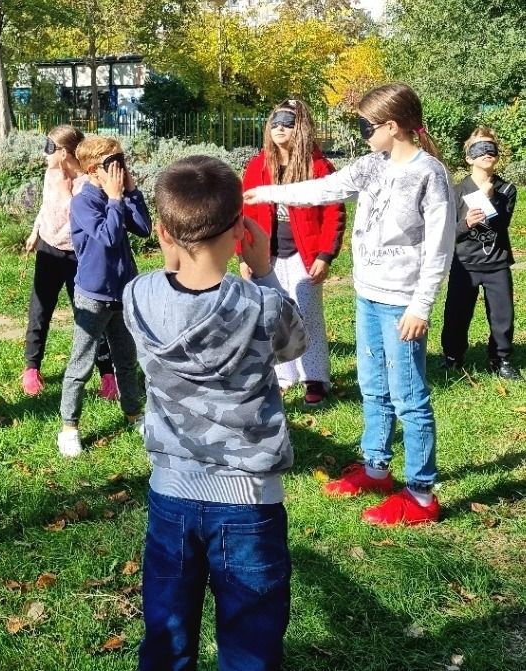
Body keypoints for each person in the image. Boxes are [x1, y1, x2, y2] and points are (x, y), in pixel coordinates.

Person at [123, 156, 307, 671]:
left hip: (171, 494)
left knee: (166, 635)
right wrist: (266, 270)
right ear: (240, 231)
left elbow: (170, 284)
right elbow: (296, 344)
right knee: (250, 644)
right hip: (249, 500)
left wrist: (171, 252)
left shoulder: (137, 297)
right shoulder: (260, 305)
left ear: (162, 232)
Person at [245, 82, 456, 526]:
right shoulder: (372, 165)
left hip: (402, 304)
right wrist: (266, 195)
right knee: (373, 385)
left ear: (392, 126)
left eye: (365, 125)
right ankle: (376, 469)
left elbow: (438, 248)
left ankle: (420, 495)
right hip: (369, 294)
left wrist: (421, 306)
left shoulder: (428, 173)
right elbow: (323, 189)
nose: (362, 133)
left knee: (410, 397)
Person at [241, 98, 346, 406]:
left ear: (300, 128)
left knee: (307, 314)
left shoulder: (318, 166)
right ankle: (286, 374)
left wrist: (325, 255)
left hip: (305, 254)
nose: (279, 128)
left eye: (287, 123)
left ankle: (316, 378)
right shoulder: (258, 166)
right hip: (267, 255)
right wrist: (243, 255)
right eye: (274, 122)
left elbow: (334, 214)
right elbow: (244, 212)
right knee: (274, 315)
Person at [56, 135, 151, 458]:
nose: (121, 169)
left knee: (126, 360)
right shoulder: (84, 202)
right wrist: (114, 199)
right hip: (93, 296)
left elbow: (142, 227)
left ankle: (133, 412)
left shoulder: (117, 195)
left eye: (123, 161)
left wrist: (132, 192)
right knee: (81, 364)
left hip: (122, 292)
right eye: (115, 164)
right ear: (95, 170)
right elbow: (109, 237)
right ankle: (69, 427)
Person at [21, 125, 118, 400]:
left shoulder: (87, 184)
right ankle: (31, 369)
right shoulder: (50, 175)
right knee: (39, 311)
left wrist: (67, 195)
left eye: (50, 147)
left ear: (65, 152)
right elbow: (44, 205)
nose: (44, 152)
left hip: (79, 257)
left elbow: (83, 221)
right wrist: (35, 231)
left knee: (89, 317)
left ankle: (107, 374)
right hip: (48, 250)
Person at [441, 127, 521, 380]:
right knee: (456, 313)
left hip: (497, 264)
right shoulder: (455, 192)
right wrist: (466, 223)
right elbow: (448, 233)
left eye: (491, 148)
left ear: (497, 155)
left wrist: (488, 199)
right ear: (468, 157)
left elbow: (501, 224)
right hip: (464, 263)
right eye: (479, 148)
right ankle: (453, 358)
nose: (486, 152)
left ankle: (501, 359)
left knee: (502, 315)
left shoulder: (506, 190)